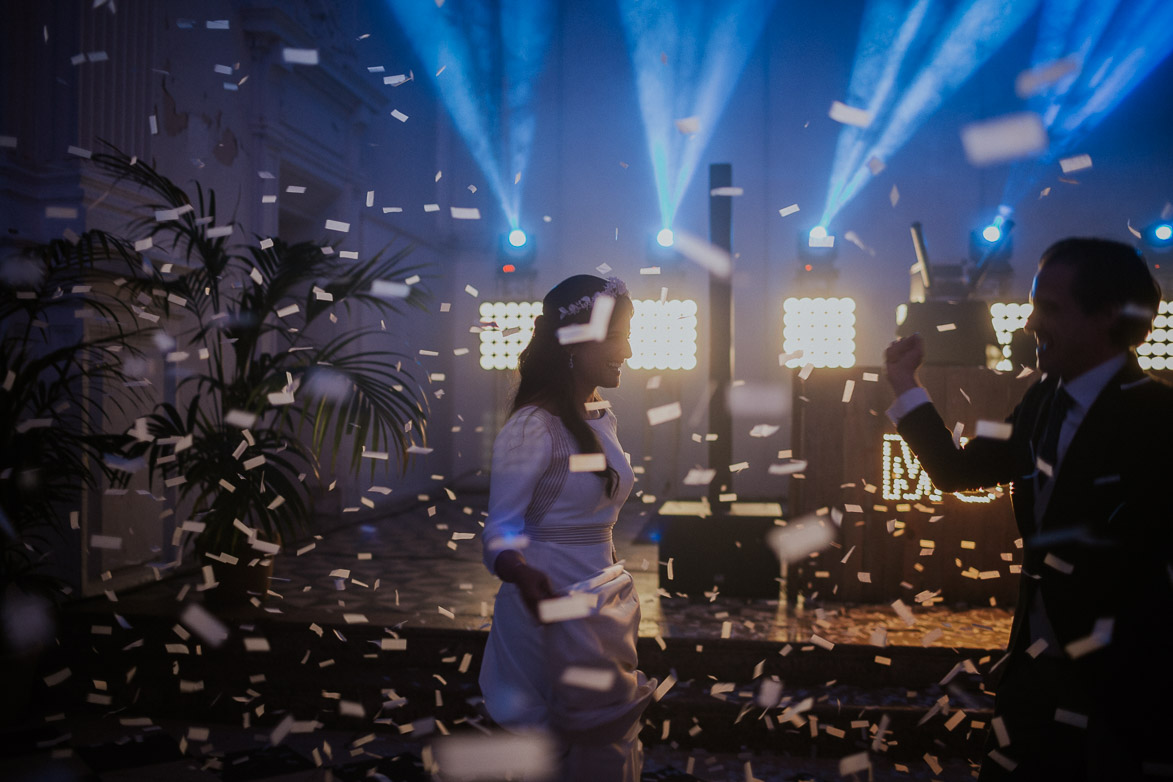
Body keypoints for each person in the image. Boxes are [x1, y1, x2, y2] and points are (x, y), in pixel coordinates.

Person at [884, 237, 1173, 780]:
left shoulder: (1159, 420)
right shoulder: (1040, 401)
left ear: (1108, 315)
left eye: (1050, 309)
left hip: (1123, 699)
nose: (1029, 325)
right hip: (1032, 687)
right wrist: (905, 385)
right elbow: (958, 472)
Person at [479, 274, 655, 781]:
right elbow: (499, 530)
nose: (626, 350)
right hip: (547, 601)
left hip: (602, 599)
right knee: (553, 752)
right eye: (616, 336)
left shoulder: (602, 414)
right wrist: (518, 570)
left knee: (603, 749)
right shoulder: (532, 425)